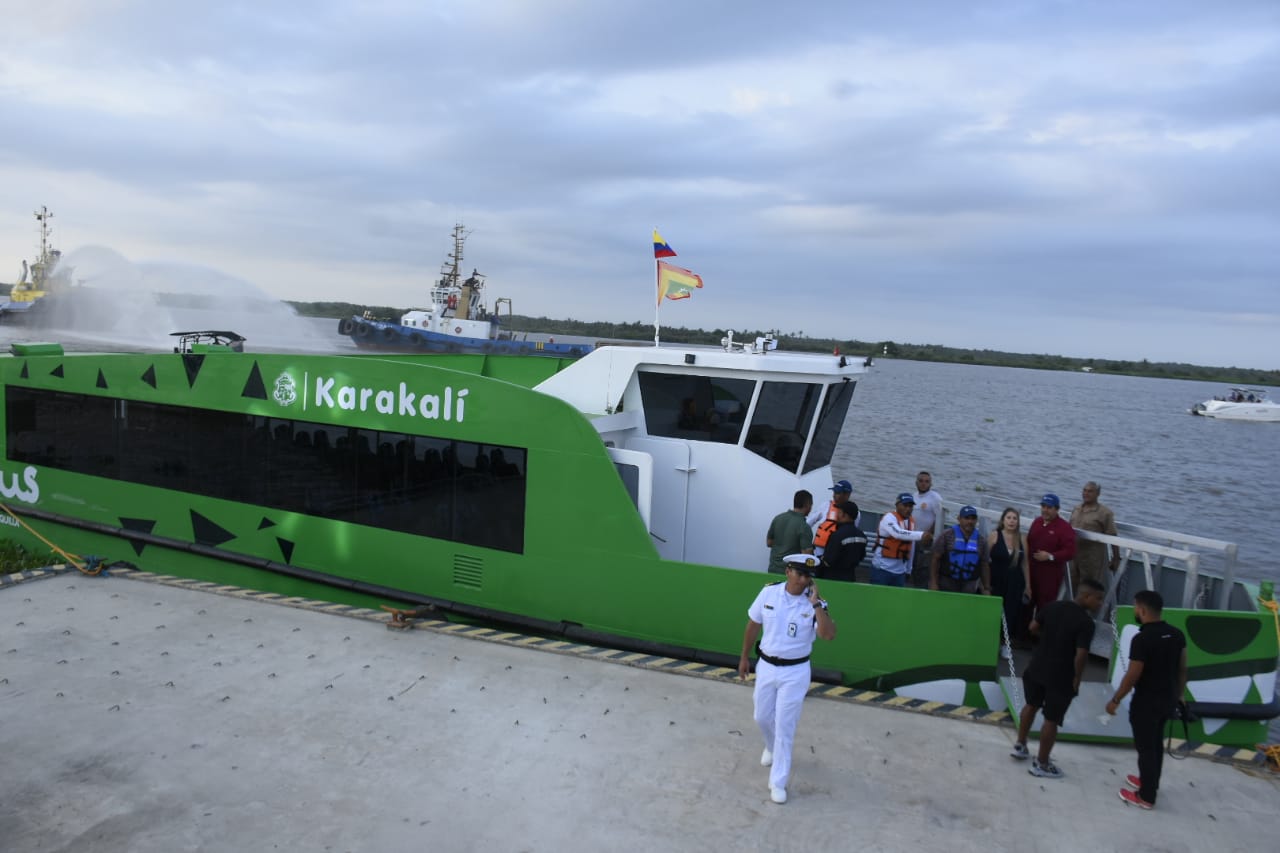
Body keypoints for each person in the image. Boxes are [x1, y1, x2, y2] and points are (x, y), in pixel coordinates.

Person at [738, 553, 837, 805]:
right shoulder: (769, 593)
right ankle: (770, 747)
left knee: (785, 726)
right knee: (761, 716)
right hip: (767, 666)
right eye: (800, 574)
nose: (804, 580)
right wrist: (744, 657)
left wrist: (816, 604)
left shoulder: (815, 604)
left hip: (796, 671)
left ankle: (778, 780)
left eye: (808, 576)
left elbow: (828, 635)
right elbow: (753, 625)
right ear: (788, 572)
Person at [1009, 578, 1105, 778]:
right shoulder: (1086, 623)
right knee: (1051, 720)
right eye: (1098, 599)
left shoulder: (1052, 607)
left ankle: (1020, 744)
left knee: (1031, 705)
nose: (1100, 604)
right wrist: (1077, 678)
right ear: (1086, 596)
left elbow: (1033, 627)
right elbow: (1081, 654)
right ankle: (1042, 764)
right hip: (1060, 676)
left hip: (1036, 668)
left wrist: (1049, 637)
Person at [1105, 590, 1188, 810]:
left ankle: (1146, 796)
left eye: (1135, 608)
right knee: (1155, 744)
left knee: (1146, 749)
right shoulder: (1177, 635)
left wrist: (1116, 699)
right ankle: (1150, 782)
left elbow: (1133, 674)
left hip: (1146, 702)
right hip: (1167, 700)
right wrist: (1180, 695)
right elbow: (1182, 669)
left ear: (1142, 610)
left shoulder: (1142, 639)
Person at [988, 507, 1032, 653]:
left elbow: (1025, 563)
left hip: (1015, 581)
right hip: (996, 579)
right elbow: (985, 560)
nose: (1011, 521)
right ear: (1003, 520)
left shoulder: (1022, 539)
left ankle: (1005, 643)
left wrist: (1028, 585)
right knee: (993, 612)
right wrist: (984, 583)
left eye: (1014, 518)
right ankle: (990, 641)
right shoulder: (994, 536)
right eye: (1009, 518)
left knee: (1011, 612)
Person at [1026, 494, 1076, 618]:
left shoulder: (1064, 527)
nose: (1045, 510)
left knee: (1045, 607)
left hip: (1050, 574)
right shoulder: (1037, 522)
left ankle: (1040, 635)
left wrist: (1050, 556)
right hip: (1031, 570)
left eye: (1049, 507)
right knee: (1026, 603)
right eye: (1043, 506)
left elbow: (1070, 552)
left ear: (1057, 509)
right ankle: (1021, 634)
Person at [870, 493, 933, 587]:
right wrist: (922, 535)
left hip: (900, 572)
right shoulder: (889, 518)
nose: (908, 509)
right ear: (897, 505)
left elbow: (911, 547)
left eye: (910, 506)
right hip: (882, 569)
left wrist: (908, 569)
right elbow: (898, 533)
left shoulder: (911, 521)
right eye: (905, 505)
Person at [1068, 482, 1121, 590]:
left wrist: (1116, 558)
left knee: (1089, 589)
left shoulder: (1105, 513)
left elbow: (1113, 535)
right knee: (1072, 585)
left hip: (1092, 559)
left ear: (1098, 494)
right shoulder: (1076, 509)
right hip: (1073, 556)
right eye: (1084, 490)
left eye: (1090, 491)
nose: (1086, 493)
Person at [930, 505, 991, 593]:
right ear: (959, 519)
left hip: (970, 584)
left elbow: (985, 565)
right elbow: (935, 559)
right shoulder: (946, 535)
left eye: (973, 519)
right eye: (966, 518)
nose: (970, 521)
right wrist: (933, 582)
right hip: (946, 581)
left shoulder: (981, 541)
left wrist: (986, 588)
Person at [766, 490, 814, 573]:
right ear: (807, 505)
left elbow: (769, 543)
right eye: (811, 505)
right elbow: (806, 556)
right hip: (791, 574)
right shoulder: (804, 526)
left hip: (772, 569)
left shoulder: (778, 518)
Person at [818, 501, 866, 583]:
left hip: (832, 579)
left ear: (845, 515)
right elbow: (862, 556)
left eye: (839, 512)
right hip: (850, 577)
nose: (837, 515)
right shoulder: (862, 536)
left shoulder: (838, 535)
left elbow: (828, 561)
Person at [909, 471, 942, 587]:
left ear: (931, 484)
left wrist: (929, 534)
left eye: (927, 482)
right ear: (916, 482)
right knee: (911, 567)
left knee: (923, 569)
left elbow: (939, 518)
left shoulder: (935, 498)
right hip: (912, 538)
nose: (923, 484)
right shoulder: (913, 496)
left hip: (926, 540)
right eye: (921, 481)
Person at [809, 479, 856, 557]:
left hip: (838, 554)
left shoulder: (854, 512)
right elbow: (809, 522)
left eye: (837, 493)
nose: (834, 495)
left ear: (847, 495)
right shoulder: (825, 506)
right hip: (818, 551)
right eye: (834, 492)